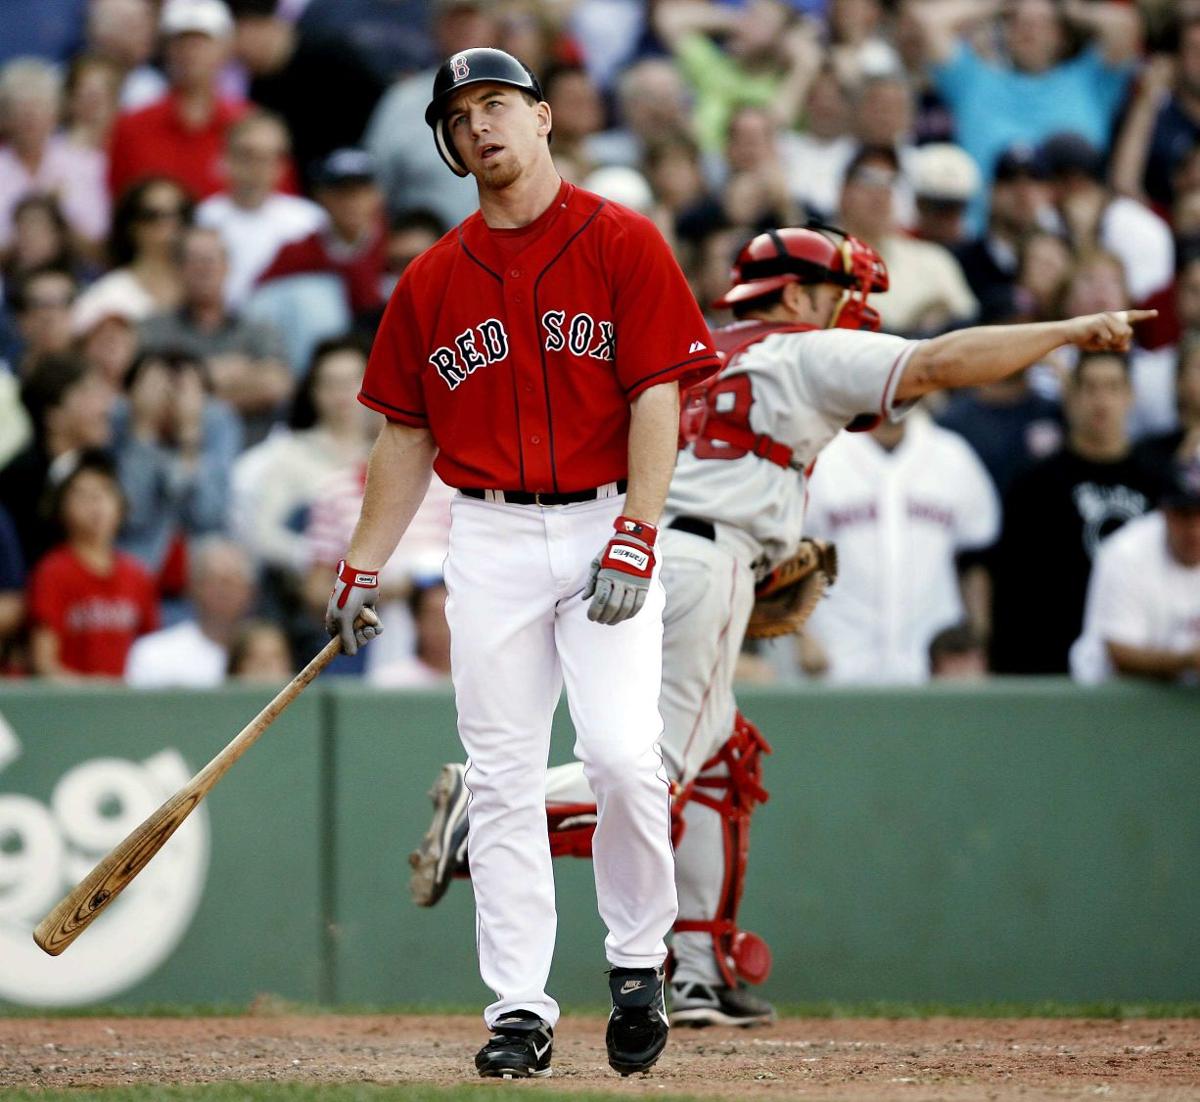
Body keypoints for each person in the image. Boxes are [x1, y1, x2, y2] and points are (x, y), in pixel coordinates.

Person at [407, 224, 1156, 1031]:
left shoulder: (686, 344)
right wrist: (1064, 332)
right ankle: (488, 811)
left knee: (720, 756)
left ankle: (695, 972)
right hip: (701, 559)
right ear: (797, 295)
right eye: (838, 294)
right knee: (654, 771)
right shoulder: (803, 349)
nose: (848, 311)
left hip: (632, 547)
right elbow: (939, 361)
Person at [326, 47, 722, 1080]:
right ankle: (519, 1009)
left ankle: (639, 961)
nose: (479, 128)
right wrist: (363, 564)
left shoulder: (624, 241)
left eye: (496, 105)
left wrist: (639, 526)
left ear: (544, 118)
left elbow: (656, 397)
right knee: (502, 780)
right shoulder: (430, 279)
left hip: (603, 518)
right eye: (459, 119)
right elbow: (405, 436)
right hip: (490, 533)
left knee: (625, 756)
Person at [989, 352, 1161, 674]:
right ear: (1070, 397)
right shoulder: (1034, 485)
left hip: (1143, 667)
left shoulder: (1159, 484)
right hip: (1050, 663)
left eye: (1112, 387)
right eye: (1090, 388)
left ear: (1131, 396)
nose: (1101, 400)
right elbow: (1013, 588)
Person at [800, 411, 999, 684]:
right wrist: (801, 638)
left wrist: (978, 639)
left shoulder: (953, 455)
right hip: (837, 653)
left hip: (935, 655)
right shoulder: (819, 456)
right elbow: (782, 559)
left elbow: (976, 559)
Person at [139, 225, 292, 441]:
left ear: (227, 267)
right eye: (195, 260)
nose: (204, 269)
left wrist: (191, 390)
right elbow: (149, 402)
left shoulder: (258, 329)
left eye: (211, 260)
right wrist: (209, 374)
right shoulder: (154, 329)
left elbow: (276, 386)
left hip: (251, 456)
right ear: (178, 269)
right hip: (177, 454)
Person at [28, 449, 159, 679]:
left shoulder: (138, 574)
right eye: (83, 495)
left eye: (105, 492)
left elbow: (151, 655)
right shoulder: (53, 571)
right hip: (72, 708)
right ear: (61, 507)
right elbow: (44, 663)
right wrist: (91, 692)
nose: (96, 504)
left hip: (129, 707)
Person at [1070, 455, 1200, 684]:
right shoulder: (1127, 552)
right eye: (1184, 514)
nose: (1194, 529)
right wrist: (1188, 660)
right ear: (1164, 512)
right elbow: (1119, 653)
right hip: (1109, 698)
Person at [107, 0, 248, 202]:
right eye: (180, 42)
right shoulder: (131, 127)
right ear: (166, 49)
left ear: (225, 49)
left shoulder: (249, 126)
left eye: (202, 42)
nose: (191, 52)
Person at [195, 111, 327, 307]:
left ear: (282, 166)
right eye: (247, 155)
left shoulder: (309, 220)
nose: (256, 167)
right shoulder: (204, 216)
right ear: (226, 158)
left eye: (266, 158)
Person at [125, 536, 256, 686]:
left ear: (250, 591)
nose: (224, 591)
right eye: (214, 580)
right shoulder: (154, 653)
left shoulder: (269, 656)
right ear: (193, 587)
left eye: (233, 581)